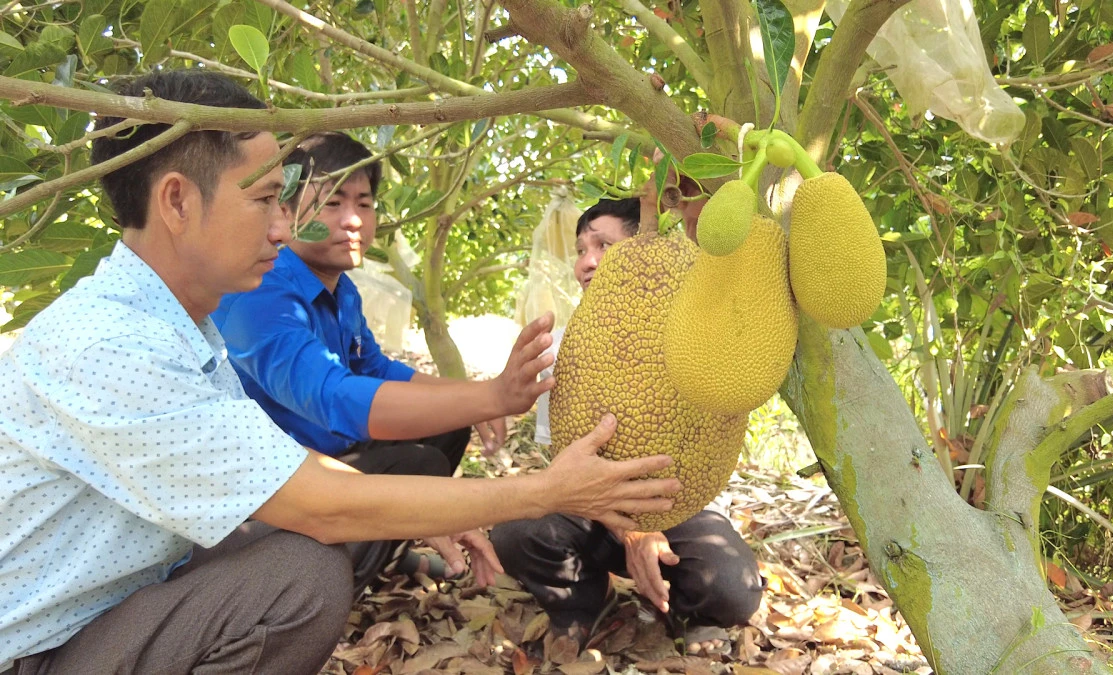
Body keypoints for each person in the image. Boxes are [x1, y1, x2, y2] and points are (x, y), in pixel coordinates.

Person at [0, 70, 680, 675]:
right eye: (266, 200)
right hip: (40, 645)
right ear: (177, 202)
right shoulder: (114, 342)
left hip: (125, 593)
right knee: (302, 581)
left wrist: (469, 451)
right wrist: (544, 489)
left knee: (373, 499)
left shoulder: (184, 324)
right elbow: (323, 455)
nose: (281, 227)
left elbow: (295, 447)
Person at [211, 131, 513, 593]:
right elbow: (332, 395)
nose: (352, 220)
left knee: (448, 426)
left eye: (364, 203)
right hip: (271, 490)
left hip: (328, 454)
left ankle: (380, 555)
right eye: (332, 203)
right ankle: (322, 590)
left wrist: (476, 401)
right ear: (285, 211)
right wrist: (491, 398)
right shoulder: (263, 291)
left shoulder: (341, 290)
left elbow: (375, 368)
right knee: (420, 466)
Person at [492, 198, 764, 659]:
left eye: (603, 245)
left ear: (644, 248)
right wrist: (633, 532)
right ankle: (583, 600)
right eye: (580, 249)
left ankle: (683, 610)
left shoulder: (697, 337)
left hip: (679, 509)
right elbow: (562, 467)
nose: (587, 262)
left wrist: (653, 526)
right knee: (516, 530)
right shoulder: (563, 346)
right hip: (587, 506)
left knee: (733, 588)